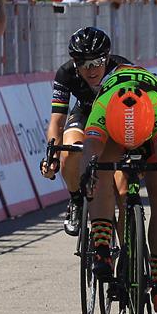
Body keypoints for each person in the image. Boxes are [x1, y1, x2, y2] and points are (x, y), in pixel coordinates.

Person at [80, 54, 157, 314]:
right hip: (117, 124)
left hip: (153, 125)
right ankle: (103, 247)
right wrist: (87, 175)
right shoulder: (104, 105)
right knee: (99, 173)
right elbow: (90, 148)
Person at [40, 28, 130, 236]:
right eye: (82, 63)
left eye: (96, 63)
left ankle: (128, 252)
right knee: (70, 151)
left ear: (106, 58)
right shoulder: (66, 73)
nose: (89, 70)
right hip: (85, 114)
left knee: (123, 192)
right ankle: (75, 199)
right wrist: (52, 153)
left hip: (115, 120)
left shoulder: (122, 69)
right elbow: (57, 120)